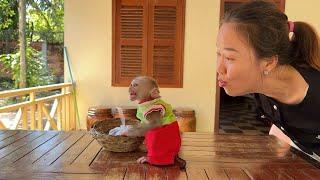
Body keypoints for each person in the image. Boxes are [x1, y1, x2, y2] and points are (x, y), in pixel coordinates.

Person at [216, 0, 320, 161]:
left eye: (229, 58)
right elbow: (282, 132)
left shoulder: (315, 96)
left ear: (269, 62)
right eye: (219, 54)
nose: (219, 68)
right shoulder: (263, 92)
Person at [122, 76, 185, 167]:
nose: (130, 88)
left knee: (154, 136)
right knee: (151, 135)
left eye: (135, 85)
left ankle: (157, 158)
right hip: (164, 134)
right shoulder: (147, 104)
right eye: (131, 84)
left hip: (166, 134)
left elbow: (155, 124)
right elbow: (147, 121)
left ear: (153, 92)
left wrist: (132, 132)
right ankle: (163, 155)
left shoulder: (155, 106)